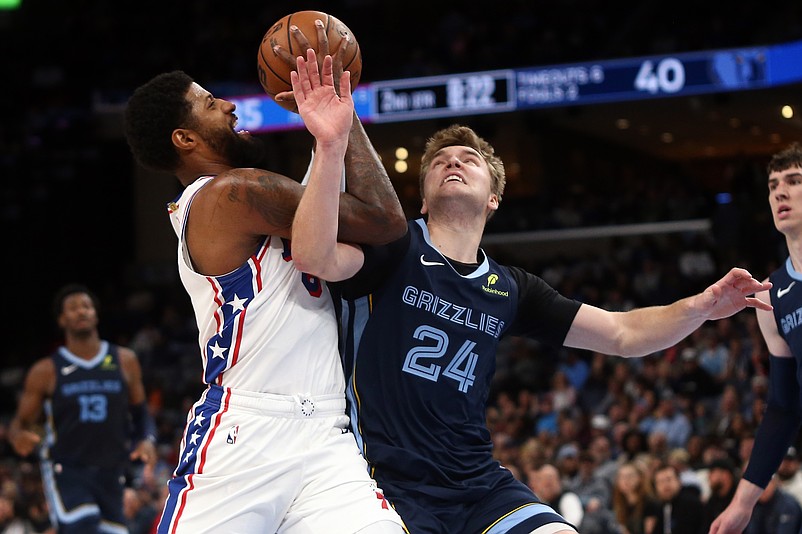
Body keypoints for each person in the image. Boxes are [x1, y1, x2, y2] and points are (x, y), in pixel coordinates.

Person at [290, 121, 772, 533]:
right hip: (380, 476)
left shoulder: (510, 288)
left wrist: (703, 305)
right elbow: (313, 255)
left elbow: (623, 334)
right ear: (422, 199)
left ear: (494, 198)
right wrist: (332, 141)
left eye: (468, 159)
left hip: (476, 481)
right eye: (439, 161)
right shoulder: (394, 247)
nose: (453, 162)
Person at [122, 44, 407, 533]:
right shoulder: (230, 196)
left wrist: (335, 124)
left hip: (326, 435)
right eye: (211, 103)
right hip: (244, 435)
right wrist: (344, 118)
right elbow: (383, 219)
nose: (230, 106)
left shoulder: (256, 196)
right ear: (185, 138)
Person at [8, 284, 158, 533]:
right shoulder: (46, 371)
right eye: (73, 308)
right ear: (61, 319)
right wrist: (18, 437)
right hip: (67, 469)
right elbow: (18, 423)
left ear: (96, 315)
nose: (81, 312)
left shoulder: (124, 360)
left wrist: (147, 439)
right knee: (82, 527)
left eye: (86, 306)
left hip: (112, 470)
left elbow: (141, 413)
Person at [709, 143, 802, 534]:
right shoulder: (770, 294)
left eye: (794, 181)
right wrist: (742, 504)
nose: (780, 192)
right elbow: (783, 406)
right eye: (773, 185)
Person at [649, 462, 705, 534]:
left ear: (679, 481)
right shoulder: (663, 506)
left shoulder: (691, 504)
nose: (665, 485)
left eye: (669, 479)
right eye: (660, 482)